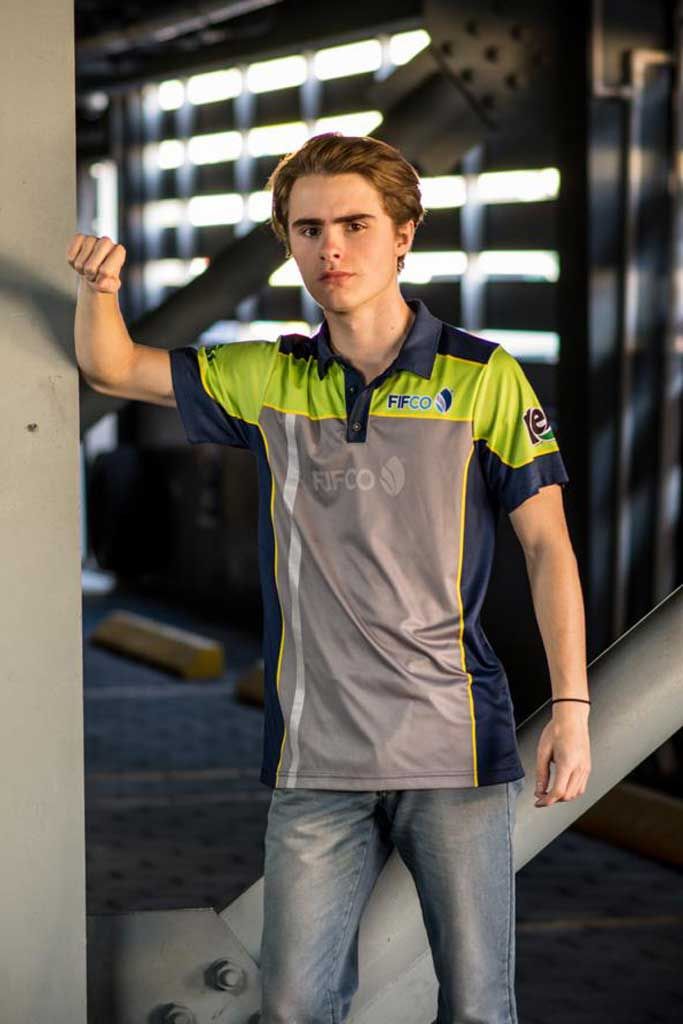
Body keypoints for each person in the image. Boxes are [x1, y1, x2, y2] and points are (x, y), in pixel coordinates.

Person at [68, 131, 591, 1024]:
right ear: (288, 242)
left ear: (403, 235)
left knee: (476, 1007)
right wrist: (99, 290)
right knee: (293, 1009)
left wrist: (571, 709)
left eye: (354, 225)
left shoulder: (483, 379)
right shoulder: (267, 375)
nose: (330, 249)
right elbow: (112, 367)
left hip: (454, 753)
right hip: (316, 762)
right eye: (307, 230)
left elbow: (548, 549)